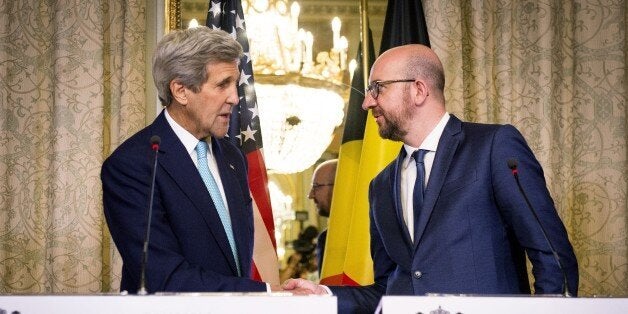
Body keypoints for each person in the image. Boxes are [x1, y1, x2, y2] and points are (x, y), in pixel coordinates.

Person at [283, 44, 579, 313]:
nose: (367, 103)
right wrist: (324, 294)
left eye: (377, 88)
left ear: (419, 90)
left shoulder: (493, 146)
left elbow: (551, 255)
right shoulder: (381, 186)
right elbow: (390, 289)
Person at [102, 27, 279, 293]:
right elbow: (163, 275)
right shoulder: (132, 165)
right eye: (222, 85)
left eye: (235, 84)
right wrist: (264, 293)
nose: (234, 98)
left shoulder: (233, 157)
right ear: (181, 90)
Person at [307, 159, 338, 272]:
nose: (310, 195)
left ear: (339, 185)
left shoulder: (369, 233)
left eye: (316, 186)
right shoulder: (326, 237)